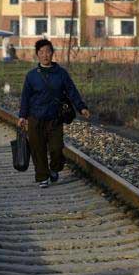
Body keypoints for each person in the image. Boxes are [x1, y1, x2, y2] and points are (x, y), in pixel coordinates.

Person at [18, 39, 91, 188]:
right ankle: (42, 177)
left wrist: (81, 107)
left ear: (52, 53)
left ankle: (54, 168)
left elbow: (72, 91)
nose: (45, 55)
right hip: (35, 118)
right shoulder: (31, 76)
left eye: (48, 52)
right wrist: (22, 116)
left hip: (55, 118)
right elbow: (25, 97)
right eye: (41, 52)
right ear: (37, 55)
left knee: (56, 148)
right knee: (38, 149)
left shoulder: (61, 73)